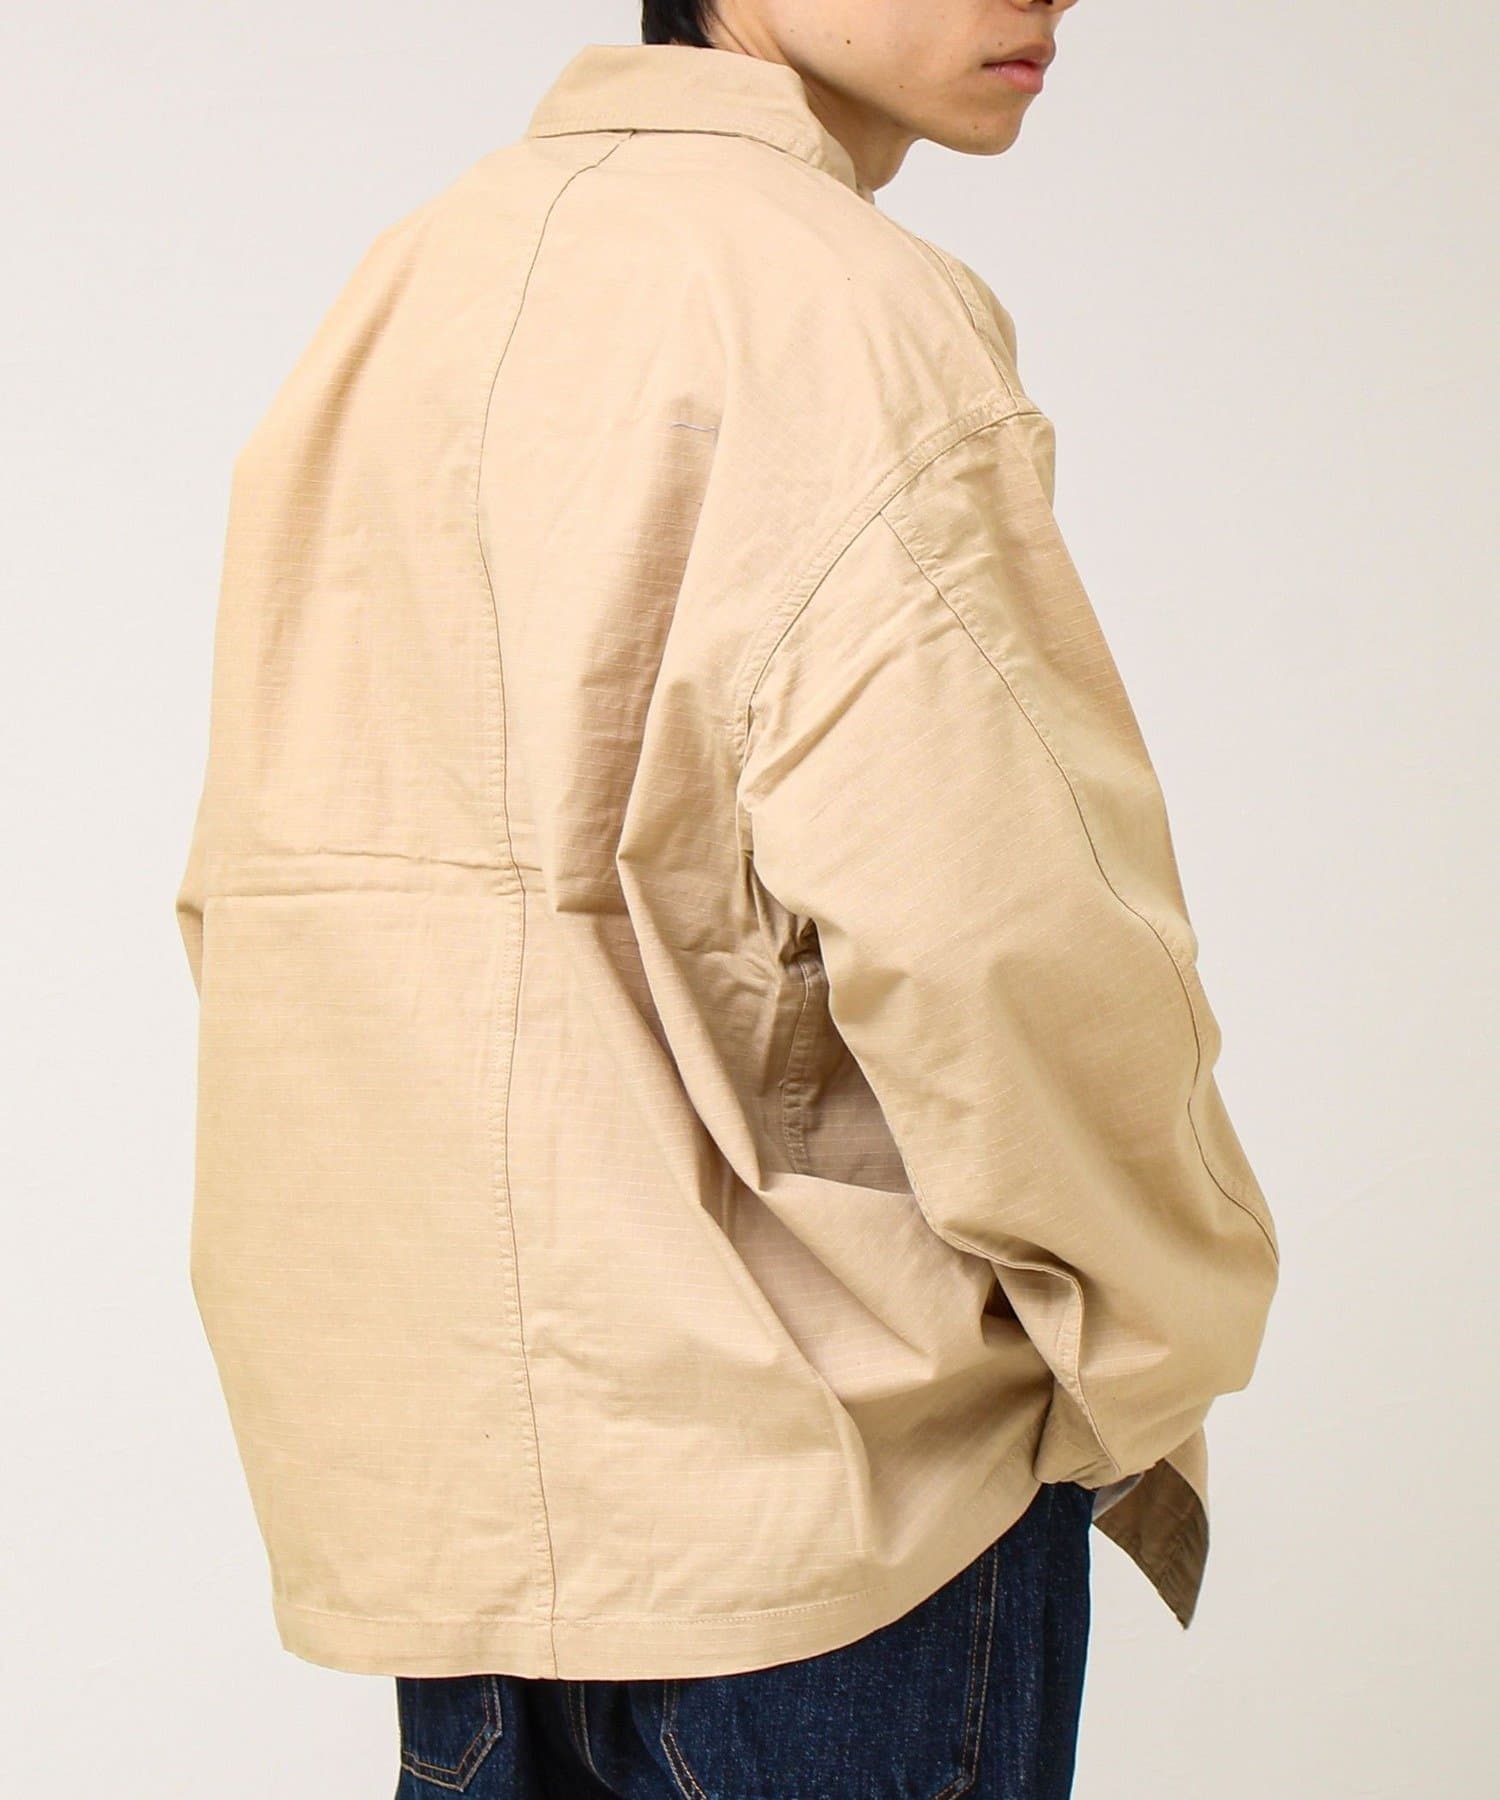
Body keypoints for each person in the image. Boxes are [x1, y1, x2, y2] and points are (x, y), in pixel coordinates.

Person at [173, 1, 1281, 1793]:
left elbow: (268, 894)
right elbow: (1001, 933)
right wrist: (1158, 1335)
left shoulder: (409, 281)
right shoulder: (842, 306)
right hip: (823, 1501)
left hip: (459, 1516)